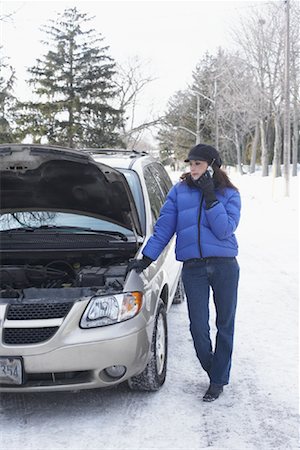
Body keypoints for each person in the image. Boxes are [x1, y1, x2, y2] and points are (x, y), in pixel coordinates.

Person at [127, 143, 241, 402]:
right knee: (198, 327)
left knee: (225, 324)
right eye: (190, 163)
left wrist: (211, 197)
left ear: (212, 166)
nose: (192, 169)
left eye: (198, 164)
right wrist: (146, 259)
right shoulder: (179, 192)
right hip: (194, 268)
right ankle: (215, 370)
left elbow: (225, 230)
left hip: (225, 266)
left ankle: (217, 380)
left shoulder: (230, 195)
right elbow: (164, 229)